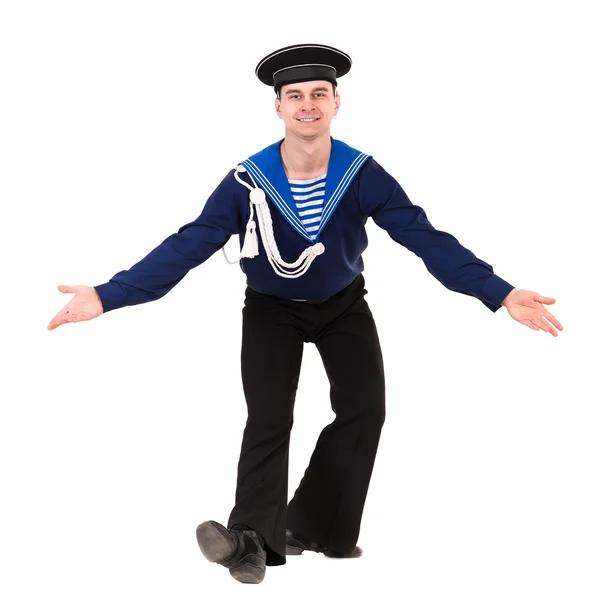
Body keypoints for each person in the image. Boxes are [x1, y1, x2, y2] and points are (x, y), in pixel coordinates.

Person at [47, 43, 563, 585]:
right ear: (278, 108)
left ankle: (313, 525)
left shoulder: (362, 173)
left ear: (337, 103)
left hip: (343, 305)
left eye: (319, 94)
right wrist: (108, 294)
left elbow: (425, 238)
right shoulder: (248, 179)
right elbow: (191, 242)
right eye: (295, 96)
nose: (307, 104)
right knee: (269, 419)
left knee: (366, 410)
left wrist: (499, 291)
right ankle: (248, 541)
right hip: (271, 310)